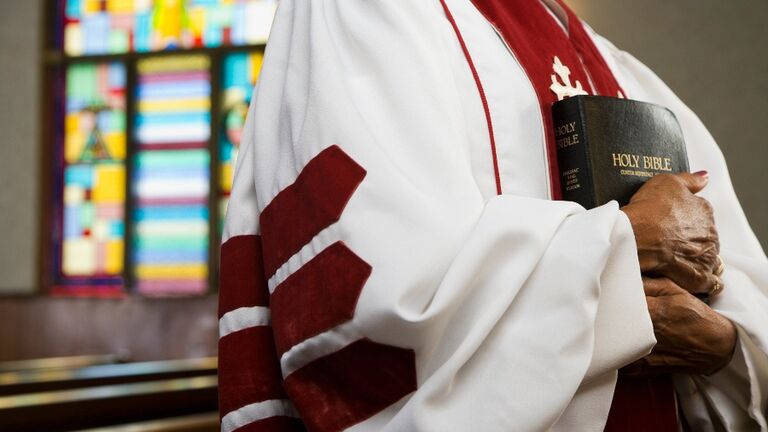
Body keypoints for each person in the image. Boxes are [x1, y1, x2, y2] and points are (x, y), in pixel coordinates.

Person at [217, 0, 768, 431]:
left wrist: (723, 346)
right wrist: (626, 250)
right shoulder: (367, 13)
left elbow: (743, 300)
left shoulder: (618, 68)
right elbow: (374, 303)